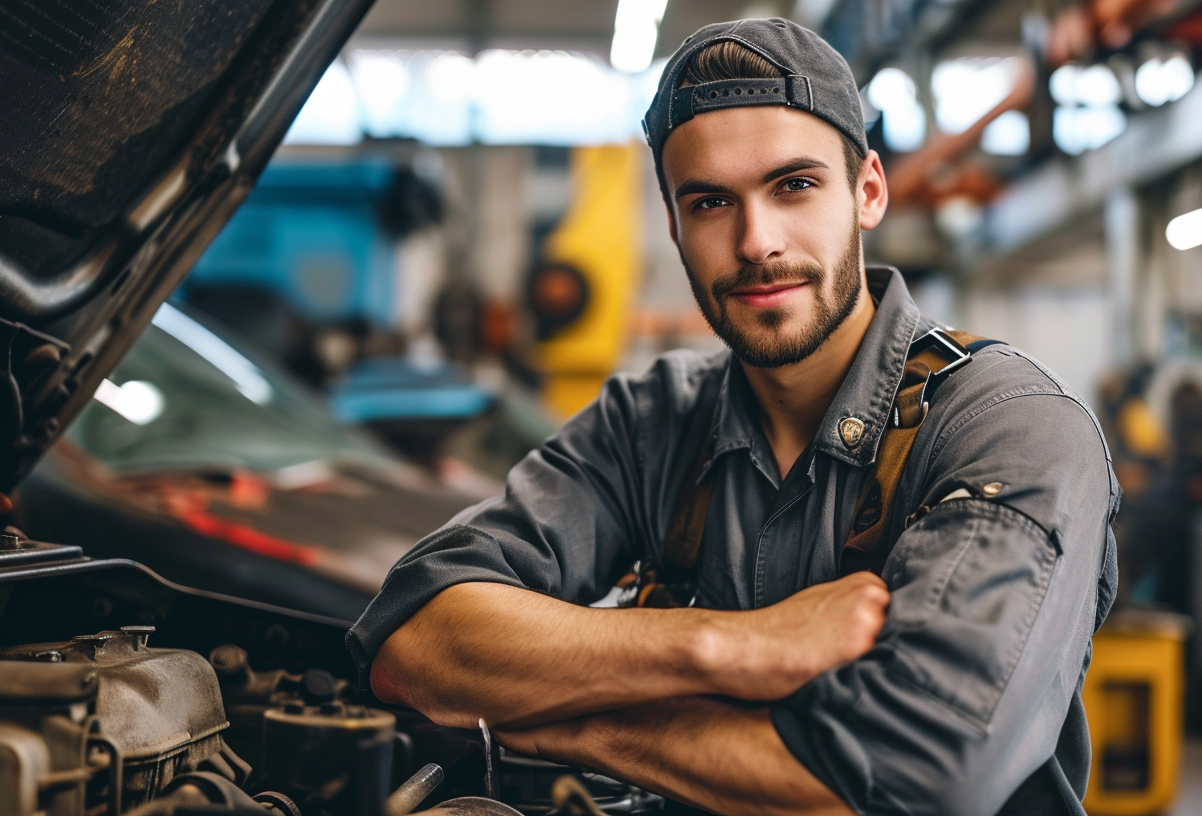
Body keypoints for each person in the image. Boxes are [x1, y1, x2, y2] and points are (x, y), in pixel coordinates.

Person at [349, 18, 1118, 816]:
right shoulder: (650, 424)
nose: (756, 242)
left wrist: (583, 726)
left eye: (794, 185)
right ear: (674, 225)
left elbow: (915, 777)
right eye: (711, 201)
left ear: (869, 191)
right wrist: (727, 645)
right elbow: (413, 639)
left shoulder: (1010, 428)